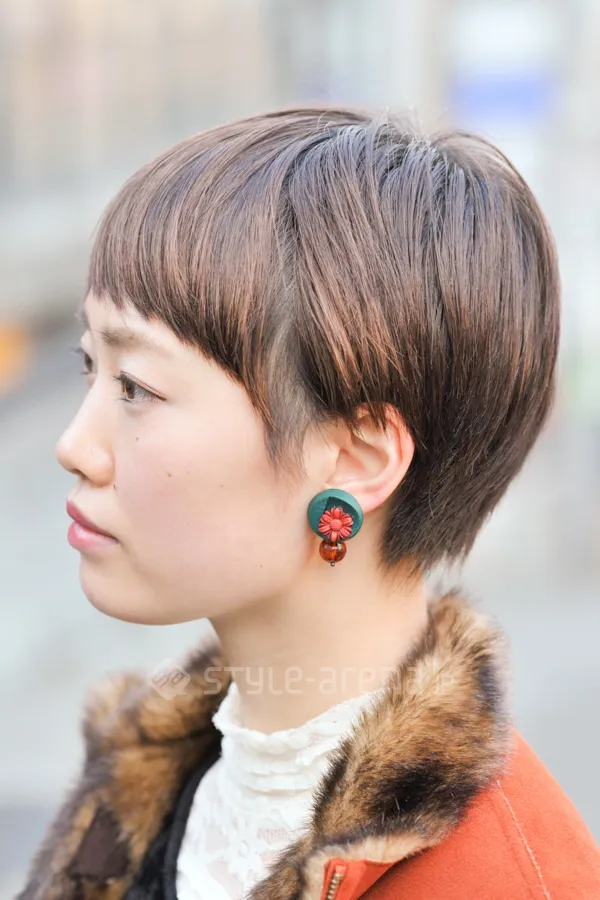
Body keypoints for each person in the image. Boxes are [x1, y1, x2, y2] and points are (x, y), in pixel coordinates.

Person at [17, 106, 600, 900]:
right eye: (90, 365)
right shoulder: (140, 792)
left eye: (137, 387)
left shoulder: (508, 882)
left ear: (356, 460)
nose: (75, 445)